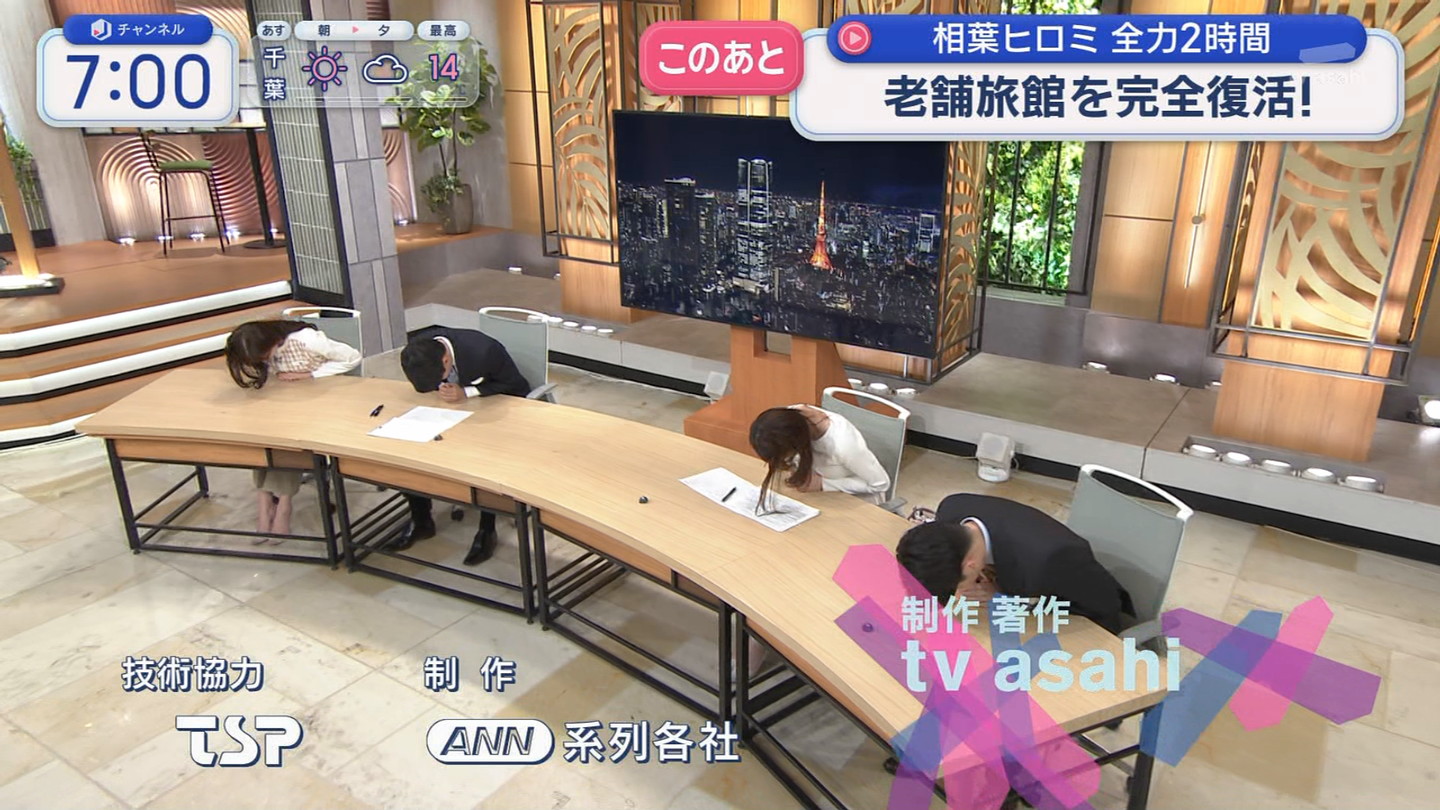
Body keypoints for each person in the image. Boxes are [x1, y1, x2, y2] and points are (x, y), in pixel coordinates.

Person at [895, 493, 1133, 635]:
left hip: (1087, 618)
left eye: (957, 589)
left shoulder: (1049, 559)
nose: (960, 595)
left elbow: (1104, 605)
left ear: (970, 565)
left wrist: (1006, 598)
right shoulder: (952, 509)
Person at [397, 326, 531, 565]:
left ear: (446, 360)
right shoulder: (418, 349)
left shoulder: (483, 351)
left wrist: (468, 392)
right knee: (409, 449)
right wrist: (439, 389)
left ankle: (487, 528)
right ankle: (421, 520)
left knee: (486, 457)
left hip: (495, 410)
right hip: (449, 413)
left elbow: (515, 385)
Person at [225, 319, 361, 541]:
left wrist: (311, 375)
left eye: (263, 356)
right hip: (292, 404)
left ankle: (283, 506)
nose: (265, 361)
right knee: (263, 436)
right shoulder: (265, 351)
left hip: (325, 404)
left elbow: (353, 357)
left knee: (288, 441)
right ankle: (264, 501)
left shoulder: (307, 340)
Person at [748, 405, 890, 508]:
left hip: (857, 505)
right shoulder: (792, 419)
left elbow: (880, 484)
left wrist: (824, 484)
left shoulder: (842, 444)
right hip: (819, 499)